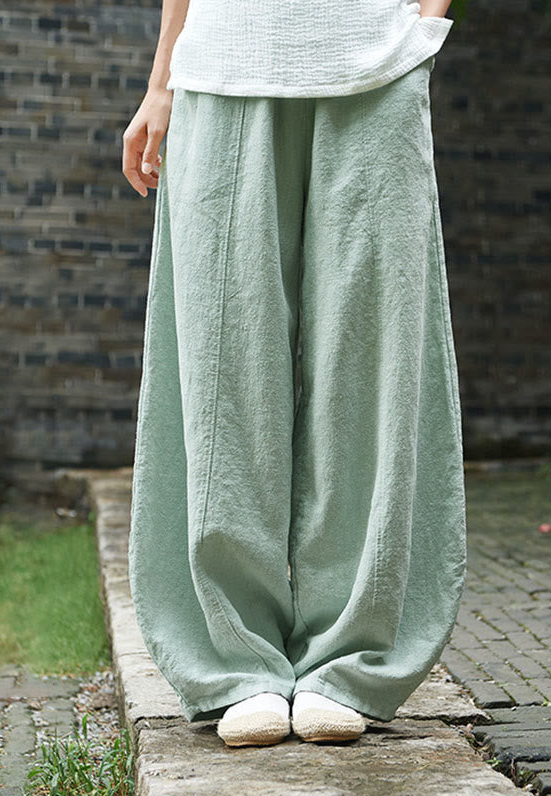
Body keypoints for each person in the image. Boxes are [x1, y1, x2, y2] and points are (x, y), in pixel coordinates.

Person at [122, 0, 467, 748]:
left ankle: (347, 657)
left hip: (376, 66)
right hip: (220, 67)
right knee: (221, 371)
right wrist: (160, 81)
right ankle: (234, 659)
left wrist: (421, 25)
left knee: (368, 369)